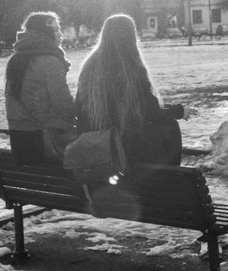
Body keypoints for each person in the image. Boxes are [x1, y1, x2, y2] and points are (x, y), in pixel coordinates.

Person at [76, 14, 197, 168]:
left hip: (97, 143)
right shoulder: (131, 66)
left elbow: (80, 106)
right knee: (169, 126)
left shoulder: (89, 65)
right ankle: (170, 176)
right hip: (125, 147)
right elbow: (149, 110)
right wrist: (179, 111)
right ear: (131, 37)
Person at [5, 12, 78, 166]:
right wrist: (84, 106)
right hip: (48, 144)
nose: (60, 34)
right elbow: (63, 106)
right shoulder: (50, 61)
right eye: (56, 29)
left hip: (20, 143)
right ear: (44, 32)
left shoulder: (16, 59)